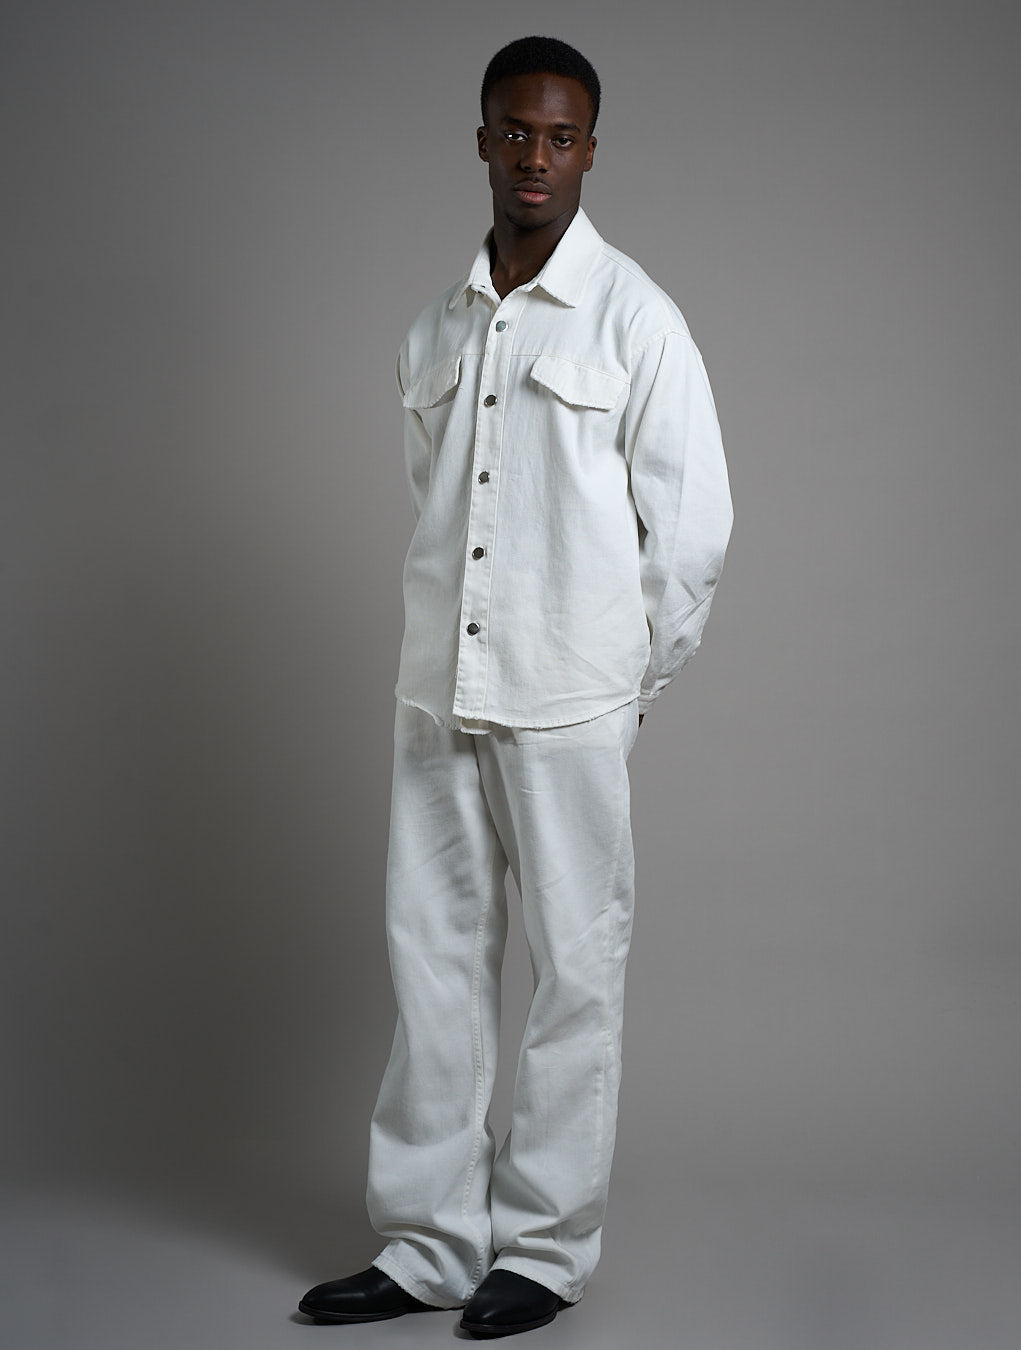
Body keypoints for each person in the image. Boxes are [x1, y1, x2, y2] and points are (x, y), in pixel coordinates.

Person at [299, 35, 733, 1339]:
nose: (535, 156)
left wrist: (618, 683)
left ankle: (543, 1250)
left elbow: (693, 533)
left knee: (574, 975)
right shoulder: (435, 324)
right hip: (437, 689)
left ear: (590, 151)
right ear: (482, 141)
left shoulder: (637, 319)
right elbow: (436, 501)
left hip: (570, 700)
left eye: (561, 136)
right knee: (432, 968)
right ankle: (430, 1242)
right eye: (514, 131)